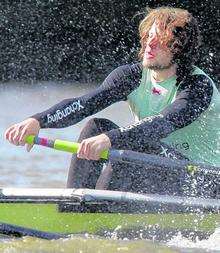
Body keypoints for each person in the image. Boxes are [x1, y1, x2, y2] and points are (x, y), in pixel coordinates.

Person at [4, 7, 220, 196]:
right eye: (148, 37)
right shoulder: (132, 76)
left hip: (203, 181)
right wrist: (38, 121)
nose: (148, 45)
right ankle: (74, 205)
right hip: (160, 166)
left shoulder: (197, 86)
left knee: (126, 144)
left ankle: (99, 212)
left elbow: (161, 123)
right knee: (96, 127)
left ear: (178, 48)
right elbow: (85, 103)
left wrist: (111, 139)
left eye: (159, 40)